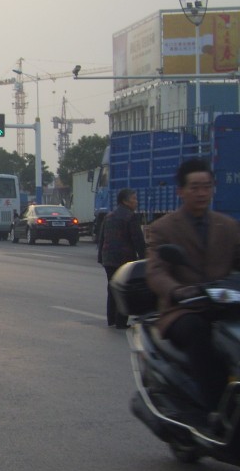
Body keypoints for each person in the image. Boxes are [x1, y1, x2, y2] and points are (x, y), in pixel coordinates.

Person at [145, 158, 240, 411]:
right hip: (184, 309)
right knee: (199, 333)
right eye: (194, 187)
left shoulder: (228, 226)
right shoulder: (163, 228)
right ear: (181, 191)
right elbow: (156, 270)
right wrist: (176, 290)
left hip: (225, 306)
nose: (201, 193)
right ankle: (215, 410)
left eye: (206, 187)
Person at [98, 188, 145, 328]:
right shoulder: (130, 217)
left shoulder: (109, 216)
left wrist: (101, 257)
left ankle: (111, 319)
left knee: (112, 287)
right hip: (124, 259)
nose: (136, 202)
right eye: (134, 199)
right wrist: (144, 258)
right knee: (124, 289)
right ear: (125, 201)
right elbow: (137, 240)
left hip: (108, 258)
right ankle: (121, 322)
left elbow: (102, 238)